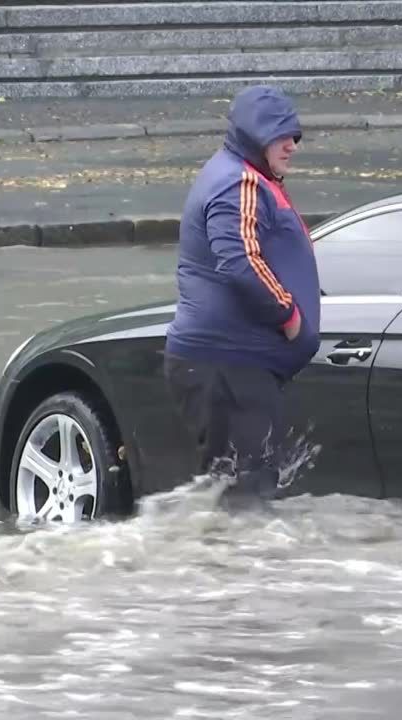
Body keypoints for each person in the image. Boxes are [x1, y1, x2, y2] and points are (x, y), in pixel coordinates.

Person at [163, 85, 321, 510]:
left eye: (295, 135)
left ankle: (221, 567)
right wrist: (289, 313)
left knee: (234, 493)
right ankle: (232, 573)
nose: (292, 144)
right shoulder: (239, 182)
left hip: (228, 365)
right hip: (228, 365)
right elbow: (239, 260)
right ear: (254, 135)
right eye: (280, 135)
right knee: (246, 497)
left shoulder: (242, 175)